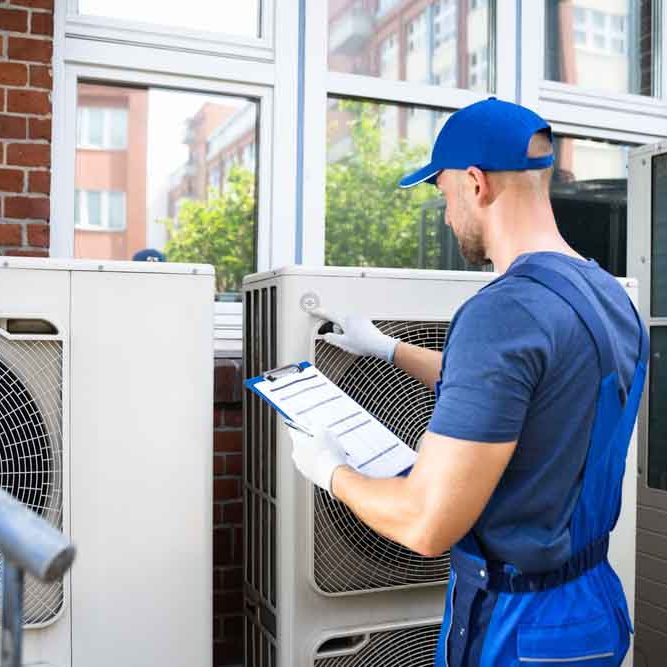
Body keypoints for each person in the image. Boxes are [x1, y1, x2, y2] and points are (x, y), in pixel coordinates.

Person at [288, 97, 648, 666]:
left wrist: (332, 472)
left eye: (444, 193)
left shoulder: (502, 313)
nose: (448, 215)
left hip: (517, 625)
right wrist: (386, 348)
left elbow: (427, 523)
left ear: (475, 183)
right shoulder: (608, 296)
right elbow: (533, 391)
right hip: (591, 608)